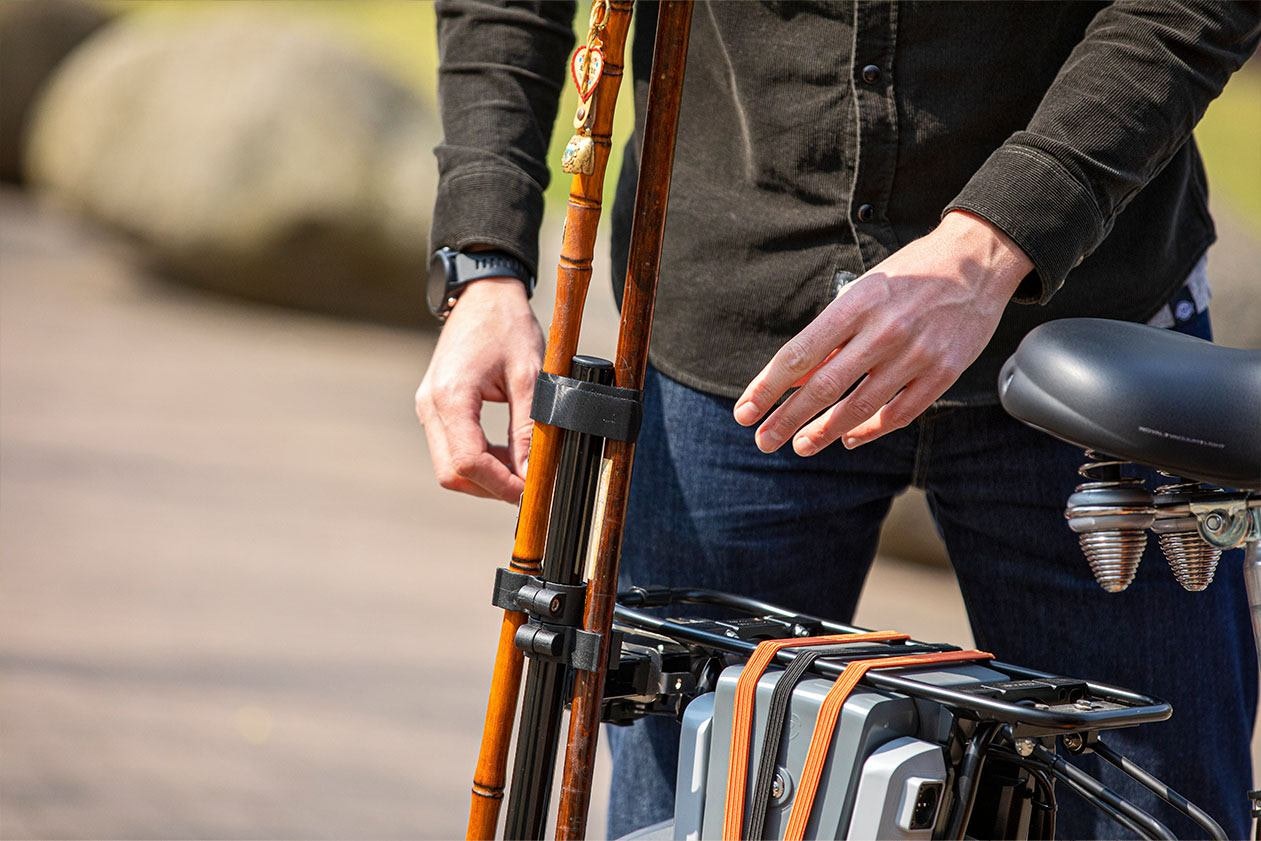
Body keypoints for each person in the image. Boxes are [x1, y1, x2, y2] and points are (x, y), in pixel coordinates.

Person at [417, 1, 1261, 837]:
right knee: (698, 806)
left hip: (1093, 337)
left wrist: (996, 240)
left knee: (1156, 814)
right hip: (728, 333)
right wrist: (482, 262)